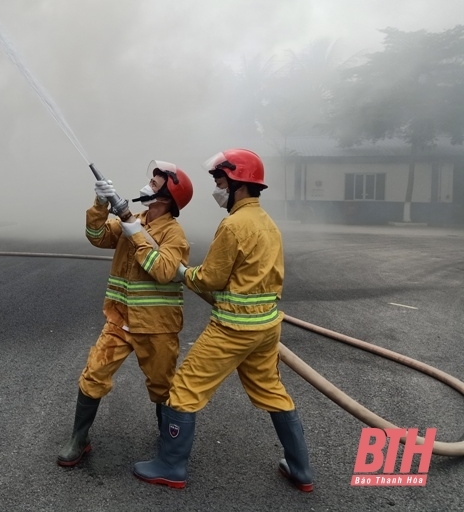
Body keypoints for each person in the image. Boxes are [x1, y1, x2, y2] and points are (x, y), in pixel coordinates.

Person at [132, 148, 314, 491]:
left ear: (238, 184)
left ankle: (170, 466)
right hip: (266, 328)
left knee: (184, 389)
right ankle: (300, 469)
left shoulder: (233, 225)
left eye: (219, 181)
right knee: (271, 390)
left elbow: (210, 279)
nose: (216, 188)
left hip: (234, 328)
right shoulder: (268, 223)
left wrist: (184, 274)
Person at [57, 160, 193, 467]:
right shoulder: (134, 220)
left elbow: (161, 270)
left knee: (162, 387)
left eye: (156, 184)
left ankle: (168, 444)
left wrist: (133, 232)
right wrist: (100, 204)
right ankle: (79, 439)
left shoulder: (174, 234)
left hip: (157, 328)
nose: (148, 186)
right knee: (93, 374)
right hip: (120, 321)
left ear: (167, 198)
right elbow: (97, 236)